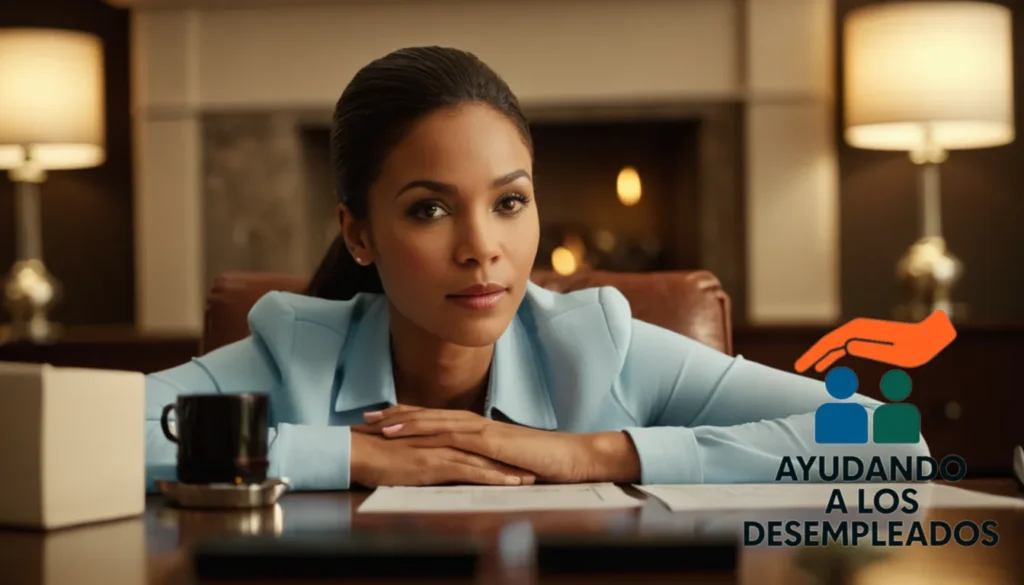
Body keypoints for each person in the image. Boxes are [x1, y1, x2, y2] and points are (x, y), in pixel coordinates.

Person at [144, 46, 930, 493]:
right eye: (429, 208)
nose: (482, 246)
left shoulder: (602, 346)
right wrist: (355, 454)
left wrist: (588, 452)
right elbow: (95, 442)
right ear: (359, 233)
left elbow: (890, 439)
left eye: (509, 202)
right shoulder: (295, 349)